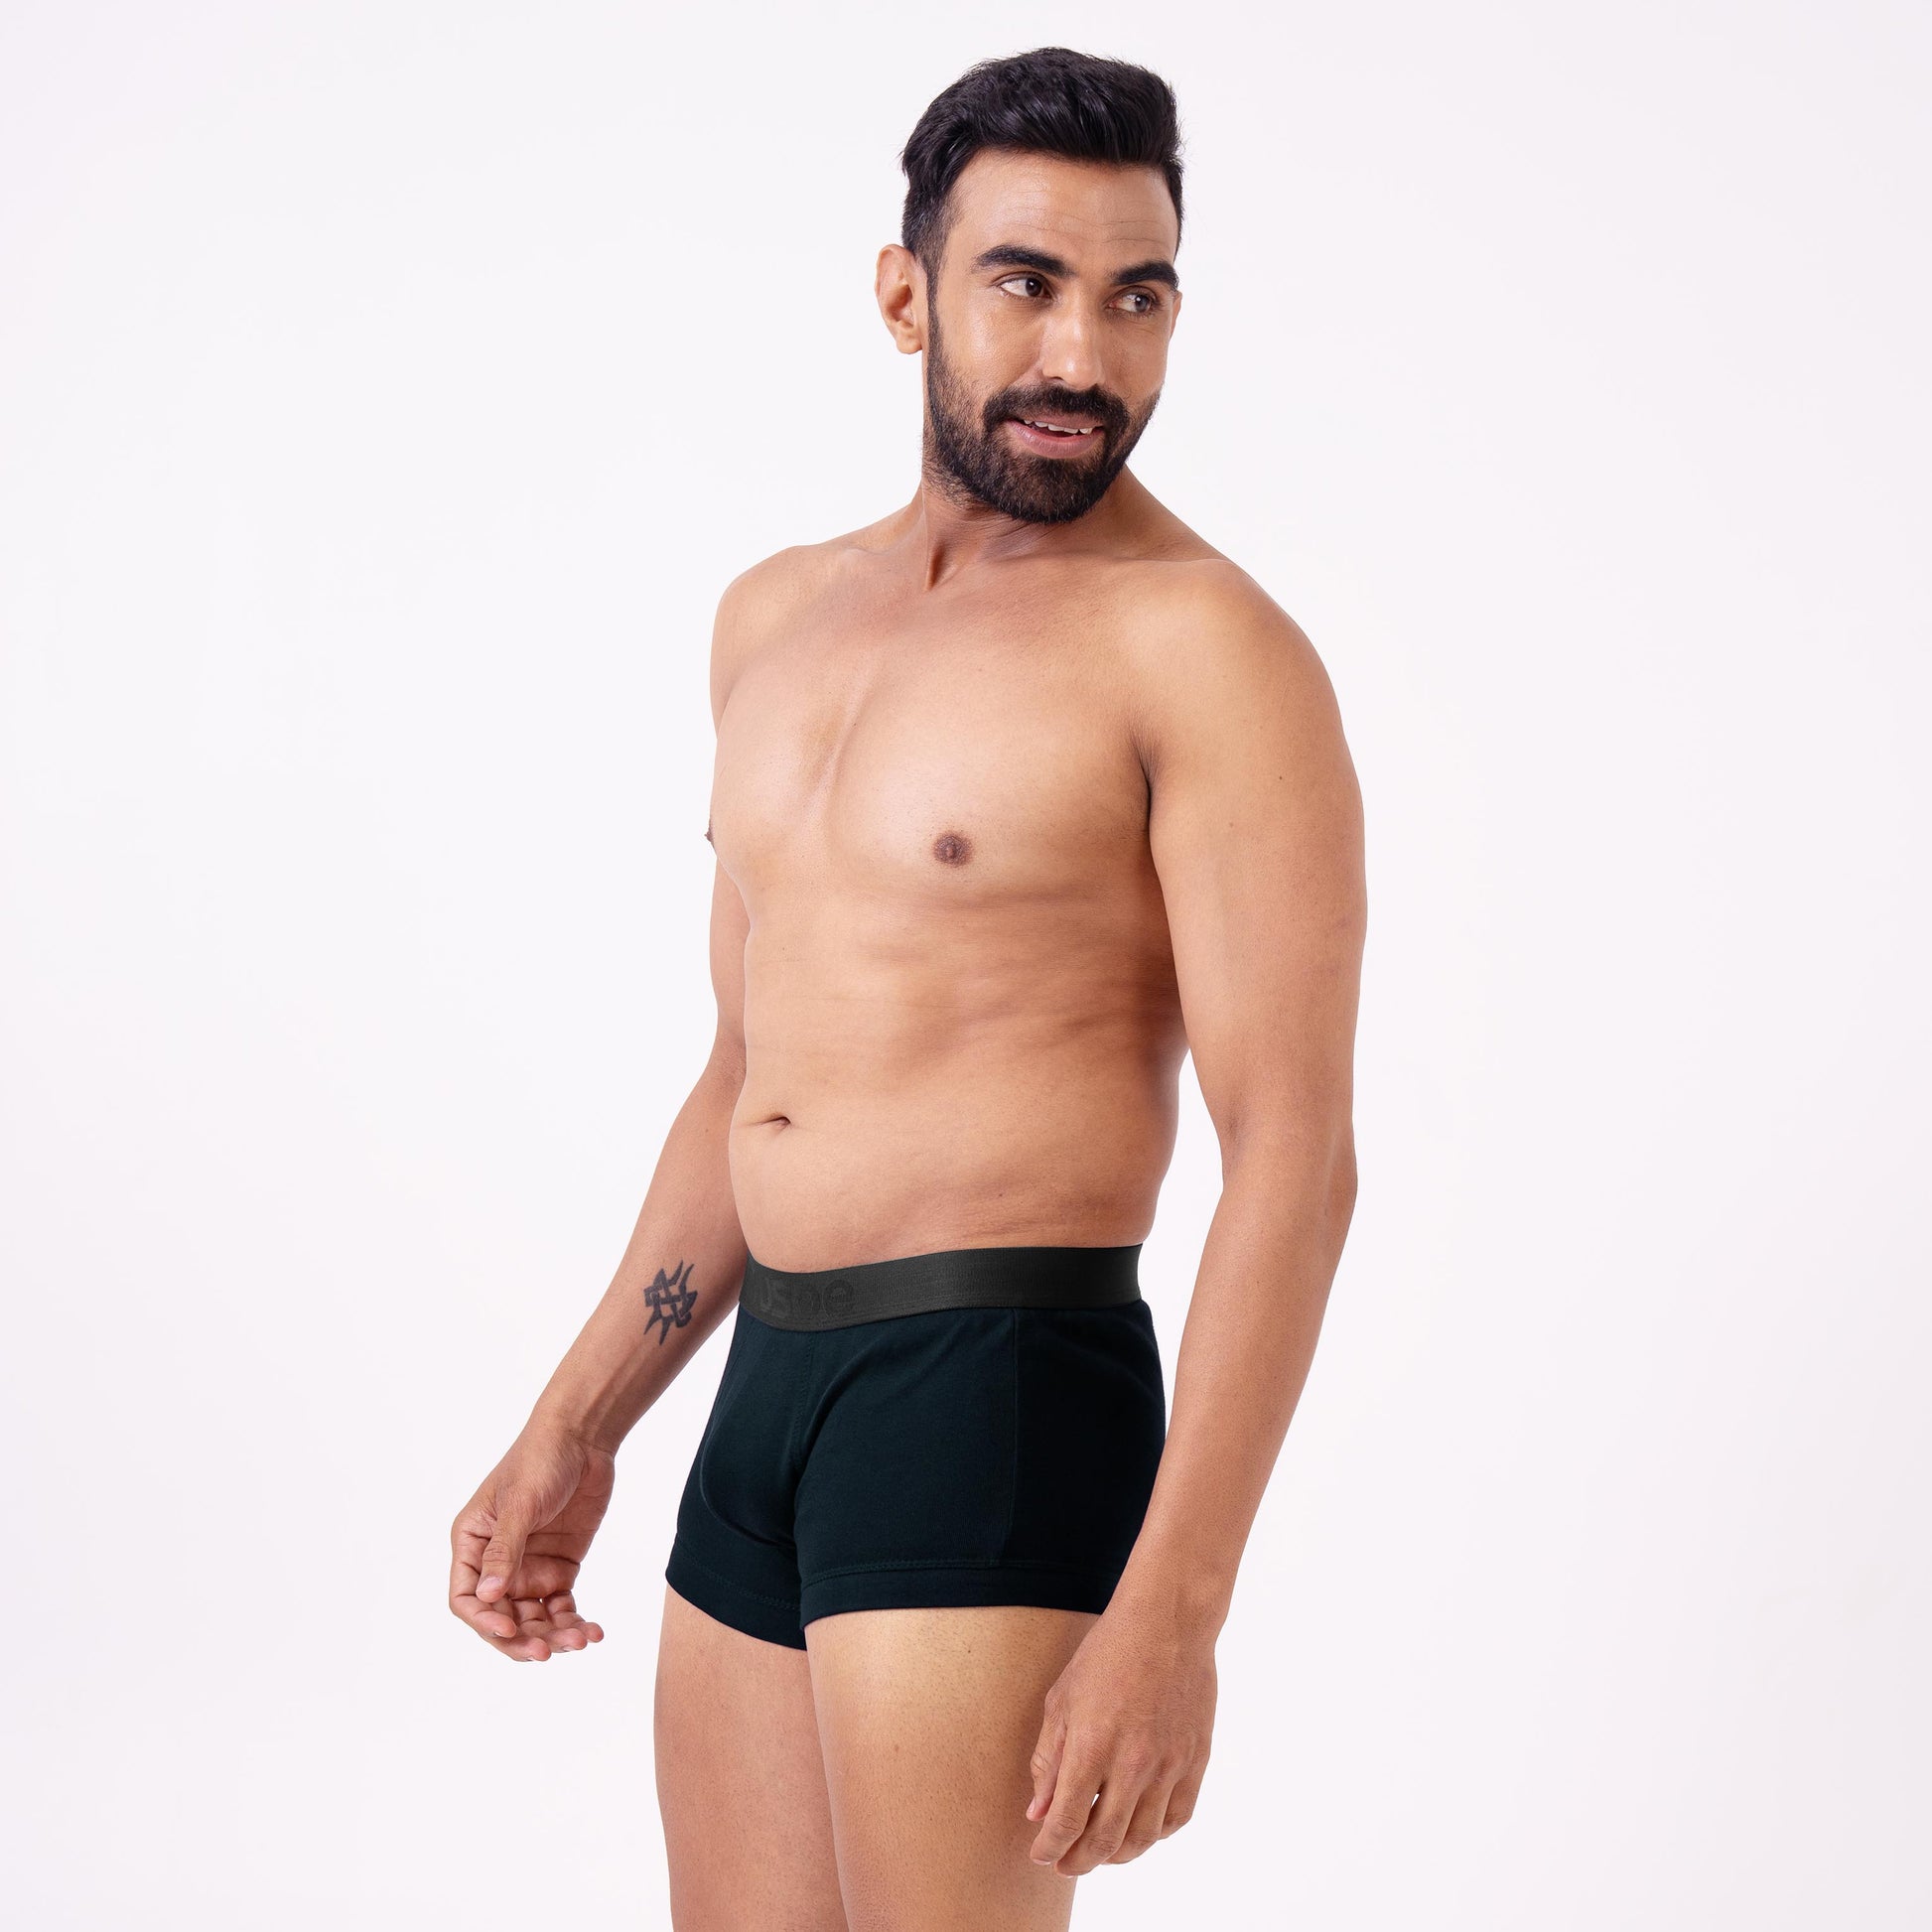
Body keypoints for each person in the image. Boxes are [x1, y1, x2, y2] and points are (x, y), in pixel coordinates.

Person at [449, 45, 1364, 1930]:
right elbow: (746, 1072)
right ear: (904, 295)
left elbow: (1294, 1153)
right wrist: (580, 1416)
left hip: (995, 1389)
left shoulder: (1204, 650)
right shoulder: (774, 620)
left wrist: (1174, 1608)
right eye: (1027, 282)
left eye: (1137, 297)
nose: (1083, 356)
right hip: (767, 1386)